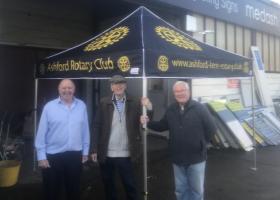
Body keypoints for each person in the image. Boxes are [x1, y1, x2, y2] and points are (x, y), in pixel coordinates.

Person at [140, 81, 216, 200]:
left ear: (188, 92)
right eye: (177, 91)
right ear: (174, 93)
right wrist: (148, 122)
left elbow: (211, 129)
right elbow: (162, 125)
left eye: (182, 91)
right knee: (180, 190)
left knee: (196, 190)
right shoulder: (171, 109)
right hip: (177, 157)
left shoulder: (200, 108)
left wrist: (200, 144)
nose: (180, 93)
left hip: (196, 158)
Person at [91, 75, 152, 200]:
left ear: (125, 85)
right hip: (107, 153)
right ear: (111, 87)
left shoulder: (134, 101)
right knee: (108, 185)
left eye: (121, 83)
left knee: (130, 185)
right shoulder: (104, 102)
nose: (118, 86)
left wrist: (149, 106)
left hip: (127, 153)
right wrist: (94, 149)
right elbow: (96, 126)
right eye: (115, 84)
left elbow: (147, 117)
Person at [35, 79, 90, 200]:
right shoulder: (49, 107)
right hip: (53, 155)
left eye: (70, 88)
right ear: (59, 90)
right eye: (64, 88)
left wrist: (85, 151)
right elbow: (41, 133)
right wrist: (41, 156)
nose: (67, 90)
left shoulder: (81, 106)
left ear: (74, 90)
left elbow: (85, 130)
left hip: (74, 155)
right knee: (52, 191)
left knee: (74, 190)